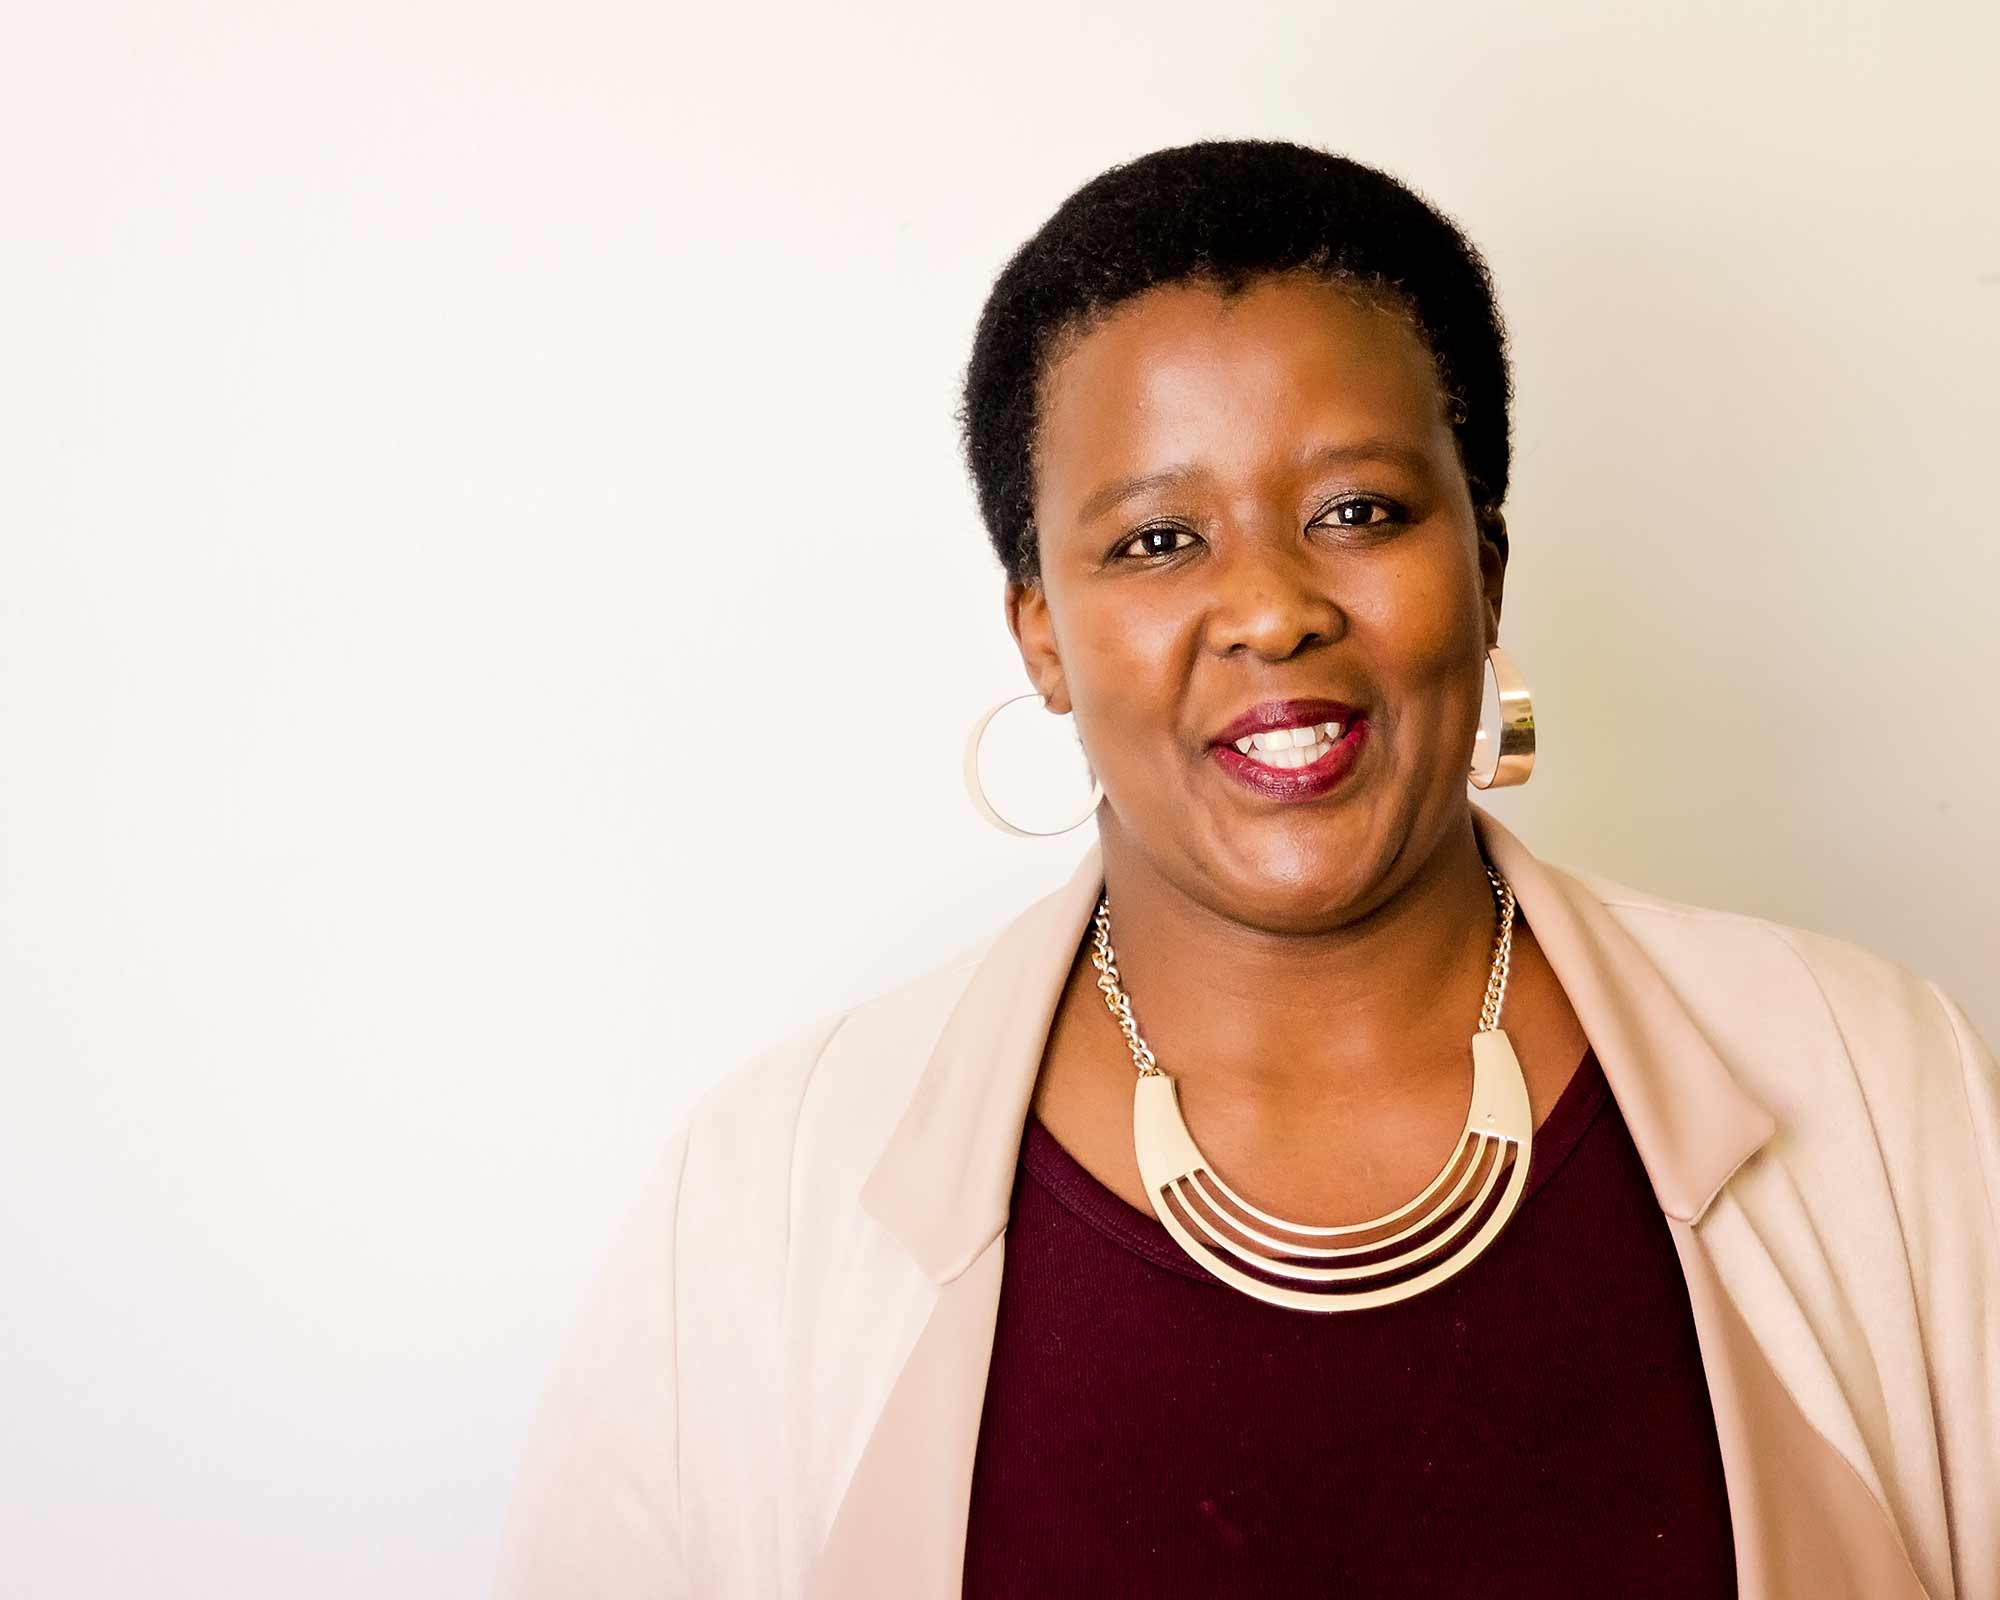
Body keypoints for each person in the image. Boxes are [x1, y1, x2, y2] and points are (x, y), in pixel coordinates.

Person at [494, 139, 1997, 1599]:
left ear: (1485, 571)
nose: (1273, 611)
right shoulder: (764, 1203)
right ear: (1041, 635)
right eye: (1157, 541)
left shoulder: (1883, 1088)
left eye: (1358, 513)